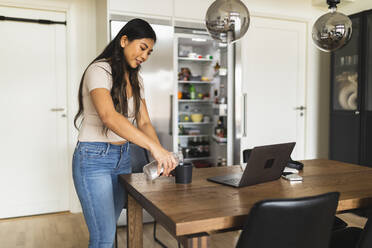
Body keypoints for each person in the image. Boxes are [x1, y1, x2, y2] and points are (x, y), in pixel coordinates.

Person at [72, 18, 177, 248]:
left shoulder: (136, 79)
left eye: (149, 52)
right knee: (103, 238)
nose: (145, 56)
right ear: (124, 40)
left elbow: (145, 122)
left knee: (109, 234)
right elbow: (109, 117)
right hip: (93, 159)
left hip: (122, 159)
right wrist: (154, 149)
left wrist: (160, 156)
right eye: (142, 48)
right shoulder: (98, 70)